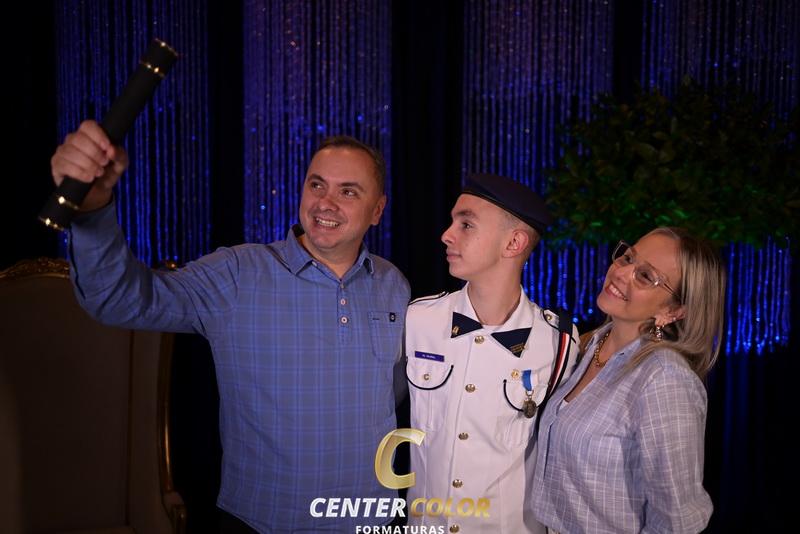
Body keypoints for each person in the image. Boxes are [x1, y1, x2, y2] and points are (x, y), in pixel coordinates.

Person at [50, 120, 410, 533]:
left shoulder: (393, 284)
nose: (325, 203)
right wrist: (93, 207)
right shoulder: (238, 273)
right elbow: (117, 300)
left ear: (377, 210)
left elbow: (393, 393)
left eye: (348, 191)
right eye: (317, 185)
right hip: (263, 524)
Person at [404, 173, 580, 533]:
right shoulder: (418, 320)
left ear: (513, 242)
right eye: (453, 221)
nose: (446, 234)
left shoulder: (558, 341)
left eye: (466, 224)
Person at [532, 227, 725, 533]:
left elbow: (678, 523)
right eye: (628, 257)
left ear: (674, 310)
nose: (621, 273)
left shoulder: (664, 380)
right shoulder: (587, 344)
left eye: (645, 276)